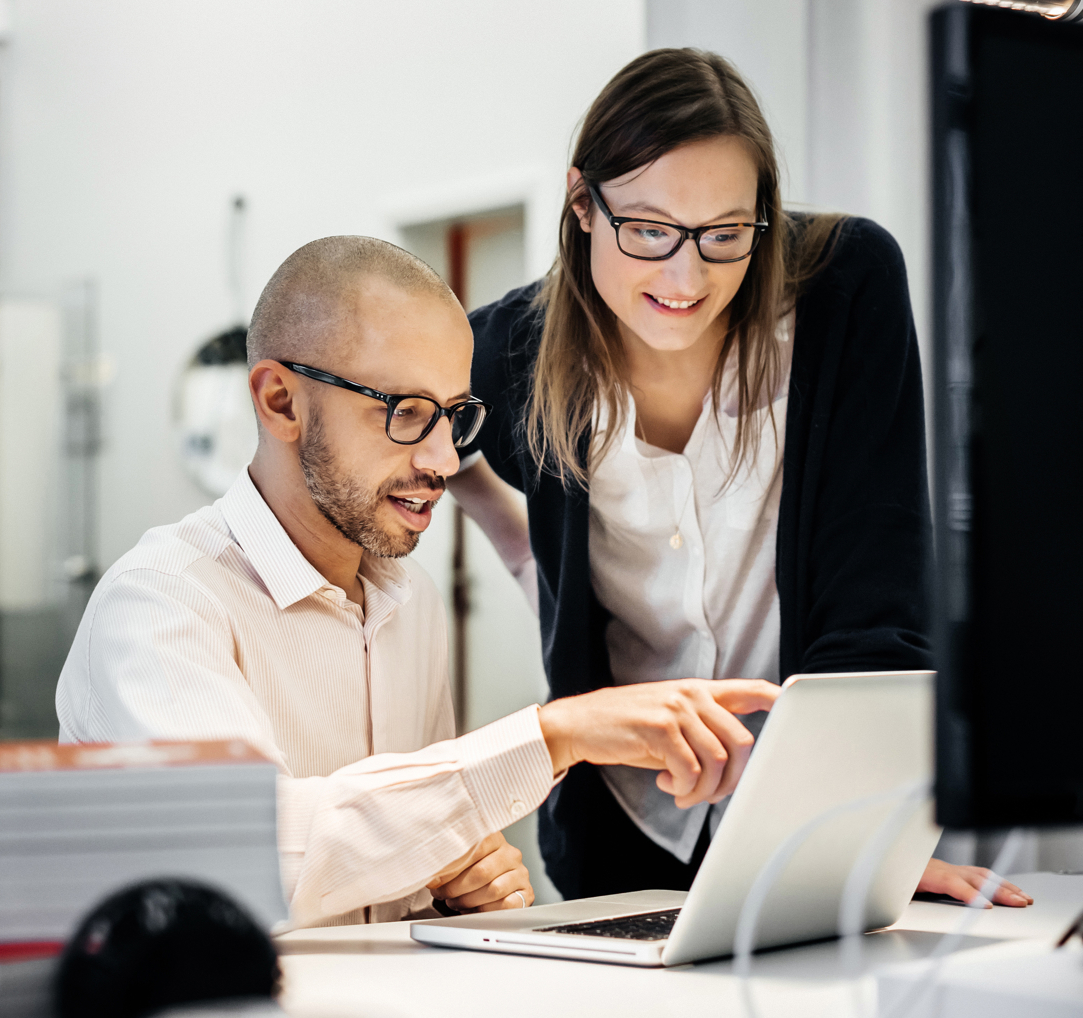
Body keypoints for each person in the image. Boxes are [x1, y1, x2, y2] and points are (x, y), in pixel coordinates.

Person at [55, 236, 780, 930]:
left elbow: (390, 864)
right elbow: (254, 866)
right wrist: (554, 735)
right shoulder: (160, 603)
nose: (441, 459)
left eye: (455, 416)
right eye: (405, 413)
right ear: (280, 402)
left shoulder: (412, 604)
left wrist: (455, 886)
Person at [447, 48, 1031, 910]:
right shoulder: (511, 347)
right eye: (648, 231)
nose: (687, 279)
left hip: (806, 816)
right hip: (619, 827)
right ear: (582, 203)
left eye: (726, 235)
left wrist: (863, 836)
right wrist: (529, 555)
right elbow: (412, 433)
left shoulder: (843, 290)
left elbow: (876, 601)